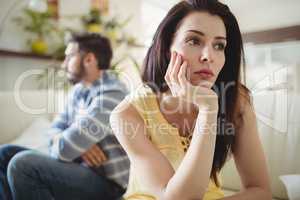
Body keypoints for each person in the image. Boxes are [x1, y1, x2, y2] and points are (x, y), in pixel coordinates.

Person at [110, 0, 272, 199]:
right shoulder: (127, 113)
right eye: (194, 41)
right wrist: (208, 110)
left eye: (219, 45)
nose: (208, 56)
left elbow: (261, 191)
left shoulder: (237, 102)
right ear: (168, 46)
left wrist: (209, 107)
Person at [0, 33, 130, 200]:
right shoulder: (78, 91)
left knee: (23, 165)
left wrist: (72, 143)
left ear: (89, 59)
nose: (64, 64)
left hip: (108, 184)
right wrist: (79, 144)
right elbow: (54, 129)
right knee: (4, 153)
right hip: (79, 168)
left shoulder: (113, 94)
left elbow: (64, 150)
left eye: (69, 57)